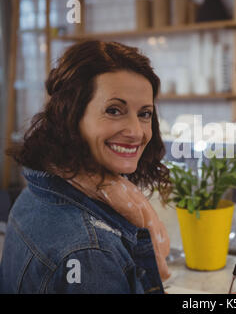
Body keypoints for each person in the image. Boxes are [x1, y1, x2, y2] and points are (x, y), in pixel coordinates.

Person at [0, 40, 172, 293]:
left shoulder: (41, 188)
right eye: (114, 110)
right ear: (71, 116)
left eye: (144, 113)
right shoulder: (90, 252)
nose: (136, 132)